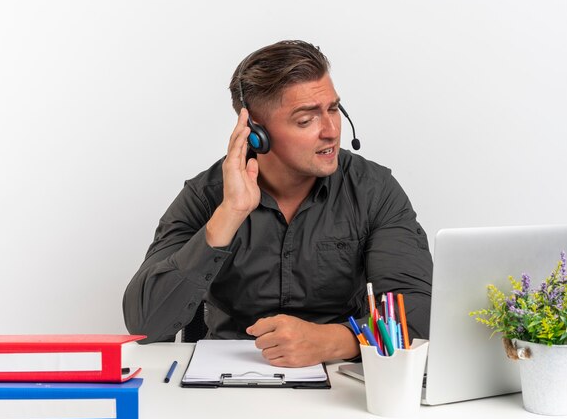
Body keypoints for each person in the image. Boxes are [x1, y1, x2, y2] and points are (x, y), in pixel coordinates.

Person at [123, 40, 432, 368]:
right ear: (255, 132)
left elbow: (417, 314)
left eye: (333, 110)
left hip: (342, 377)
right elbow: (144, 325)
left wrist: (329, 341)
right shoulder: (207, 195)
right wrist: (228, 215)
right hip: (226, 380)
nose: (331, 131)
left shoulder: (373, 190)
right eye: (306, 120)